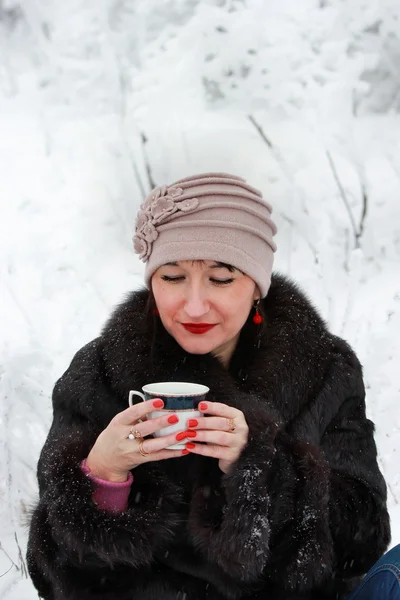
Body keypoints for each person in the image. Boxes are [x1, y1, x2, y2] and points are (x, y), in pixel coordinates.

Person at [27, 172, 397, 600]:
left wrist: (261, 470)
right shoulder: (101, 370)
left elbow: (363, 538)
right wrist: (104, 477)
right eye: (172, 277)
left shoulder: (325, 368)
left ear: (257, 288)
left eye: (221, 279)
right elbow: (51, 574)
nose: (195, 305)